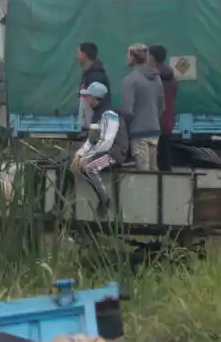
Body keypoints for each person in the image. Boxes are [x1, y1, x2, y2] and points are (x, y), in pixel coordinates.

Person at [53, 81, 127, 218]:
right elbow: (91, 140)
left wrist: (84, 158)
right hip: (101, 151)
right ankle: (58, 207)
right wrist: (78, 154)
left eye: (88, 96)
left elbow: (106, 142)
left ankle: (104, 200)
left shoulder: (109, 114)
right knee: (63, 165)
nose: (86, 99)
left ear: (95, 98)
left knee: (89, 167)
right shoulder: (96, 114)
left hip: (114, 153)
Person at [120, 44, 164, 170]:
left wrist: (126, 127)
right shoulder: (156, 78)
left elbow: (127, 110)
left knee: (143, 173)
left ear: (133, 58)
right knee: (153, 170)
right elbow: (161, 104)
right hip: (154, 129)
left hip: (138, 131)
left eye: (128, 55)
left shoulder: (130, 80)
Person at [150, 44, 178, 172]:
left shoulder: (152, 78)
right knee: (165, 153)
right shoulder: (172, 77)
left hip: (154, 120)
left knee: (151, 157)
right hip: (168, 120)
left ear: (152, 58)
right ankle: (166, 181)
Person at [76, 42, 111, 130]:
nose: (77, 55)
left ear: (84, 54)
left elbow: (98, 103)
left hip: (95, 126)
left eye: (78, 52)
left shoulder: (96, 76)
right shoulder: (88, 73)